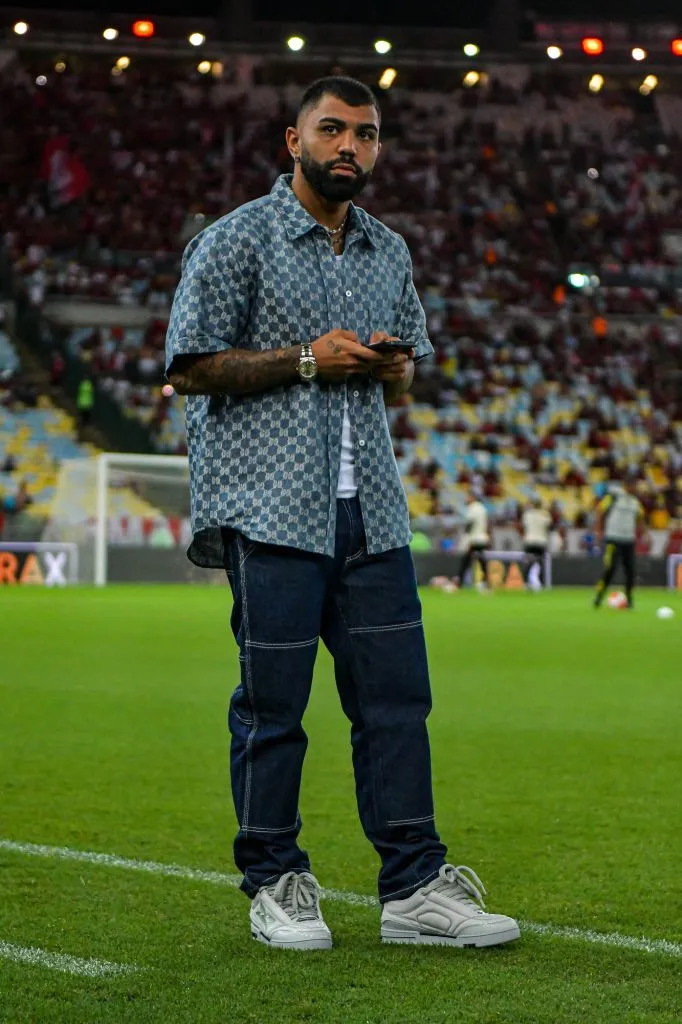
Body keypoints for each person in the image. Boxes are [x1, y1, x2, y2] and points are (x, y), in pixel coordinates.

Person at [166, 76, 519, 952]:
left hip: (374, 515)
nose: (349, 146)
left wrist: (393, 368)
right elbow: (190, 366)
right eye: (332, 130)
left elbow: (406, 371)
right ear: (294, 140)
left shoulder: (388, 251)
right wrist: (307, 360)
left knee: (398, 704)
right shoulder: (234, 240)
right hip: (273, 507)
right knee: (273, 707)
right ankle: (276, 879)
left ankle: (413, 889)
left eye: (364, 133)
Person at [593, 479, 645, 609]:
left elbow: (640, 518)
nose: (634, 488)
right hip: (613, 538)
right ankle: (599, 596)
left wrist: (643, 533)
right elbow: (600, 511)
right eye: (632, 485)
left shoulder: (635, 502)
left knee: (630, 571)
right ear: (626, 485)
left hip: (629, 540)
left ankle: (629, 599)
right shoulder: (614, 497)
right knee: (611, 568)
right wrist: (599, 531)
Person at [454, 492, 490, 589]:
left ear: (472, 497)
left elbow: (470, 524)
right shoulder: (482, 508)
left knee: (466, 561)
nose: (467, 499)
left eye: (468, 497)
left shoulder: (473, 507)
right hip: (482, 538)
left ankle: (459, 583)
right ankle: (486, 583)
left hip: (474, 538)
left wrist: (466, 537)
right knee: (481, 561)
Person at [522, 498, 551, 587]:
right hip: (541, 541)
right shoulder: (545, 515)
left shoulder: (527, 514)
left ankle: (527, 582)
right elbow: (549, 526)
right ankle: (540, 582)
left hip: (529, 541)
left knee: (528, 562)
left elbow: (524, 526)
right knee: (540, 562)